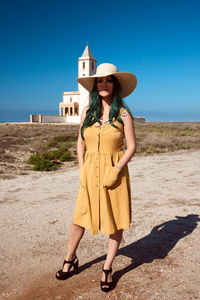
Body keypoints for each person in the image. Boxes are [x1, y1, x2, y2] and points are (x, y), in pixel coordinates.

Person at [56, 63, 137, 292]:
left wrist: (116, 169)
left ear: (115, 84)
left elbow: (131, 147)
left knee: (115, 220)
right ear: (95, 85)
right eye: (99, 81)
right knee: (79, 218)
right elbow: (80, 142)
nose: (103, 84)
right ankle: (70, 259)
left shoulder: (123, 113)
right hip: (89, 171)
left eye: (108, 80)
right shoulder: (87, 112)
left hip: (115, 172)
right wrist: (82, 169)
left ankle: (107, 268)